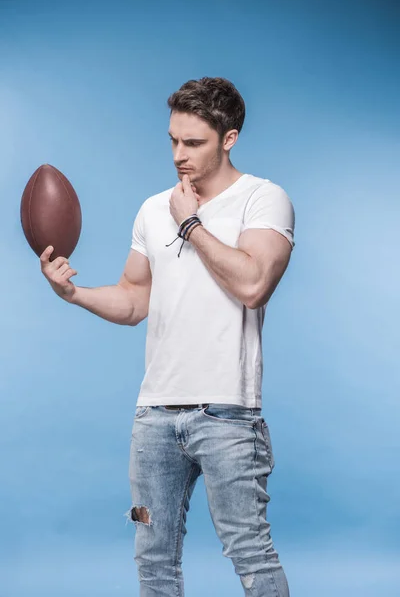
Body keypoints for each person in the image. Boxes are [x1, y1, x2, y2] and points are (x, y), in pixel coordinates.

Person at [40, 76, 295, 596]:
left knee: (250, 552)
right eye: (173, 140)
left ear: (230, 138)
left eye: (194, 143)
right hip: (154, 416)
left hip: (227, 414)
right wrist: (75, 294)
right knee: (152, 557)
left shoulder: (263, 200)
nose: (179, 154)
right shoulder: (153, 208)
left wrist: (192, 225)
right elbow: (135, 298)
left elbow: (253, 285)